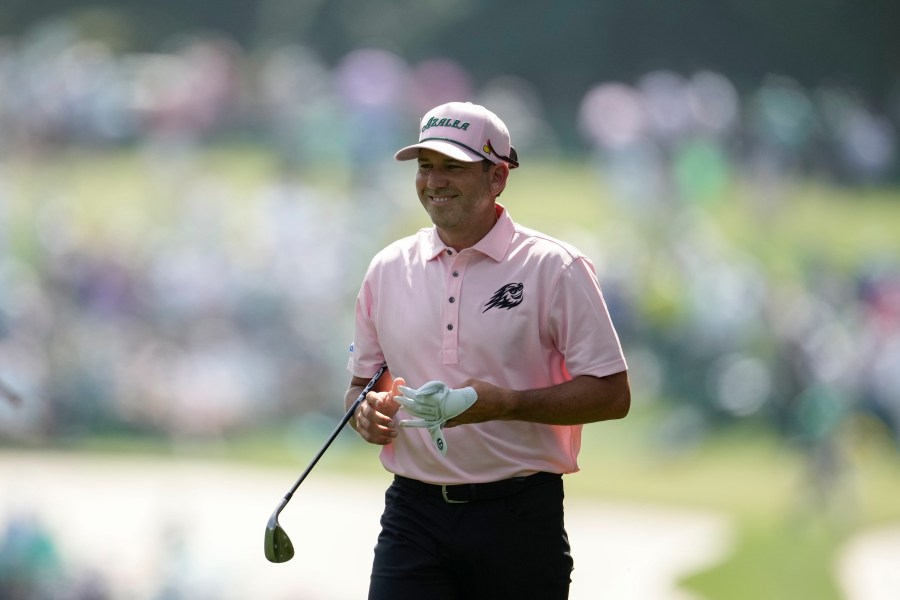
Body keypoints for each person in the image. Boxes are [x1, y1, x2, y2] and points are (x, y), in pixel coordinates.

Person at [346, 101, 630, 600]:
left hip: (518, 515)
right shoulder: (388, 268)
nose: (435, 181)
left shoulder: (555, 268)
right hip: (413, 514)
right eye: (426, 167)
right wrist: (367, 414)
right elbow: (362, 384)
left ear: (497, 177)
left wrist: (507, 404)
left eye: (453, 167)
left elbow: (612, 394)